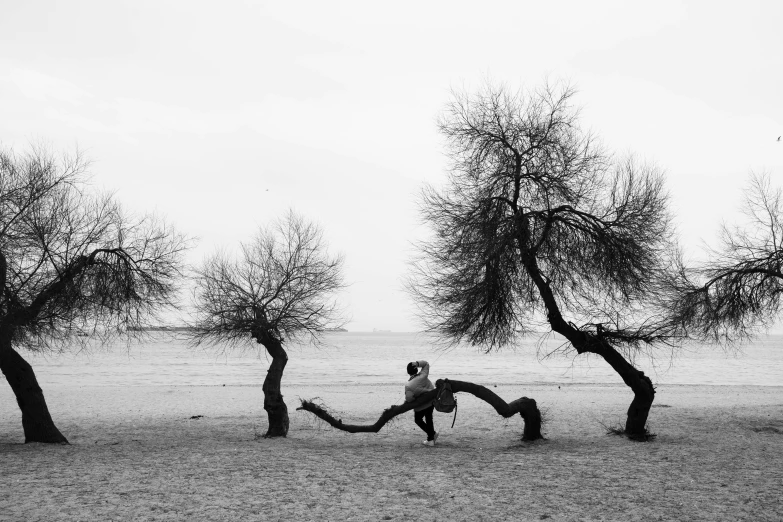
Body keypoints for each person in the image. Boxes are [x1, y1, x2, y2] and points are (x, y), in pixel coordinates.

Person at [405, 360, 438, 446]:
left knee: (418, 420)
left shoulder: (409, 385)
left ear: (408, 372)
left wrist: (414, 398)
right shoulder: (423, 375)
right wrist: (418, 363)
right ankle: (432, 436)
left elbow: (409, 399)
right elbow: (426, 364)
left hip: (421, 405)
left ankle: (431, 438)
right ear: (416, 369)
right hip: (431, 400)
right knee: (429, 419)